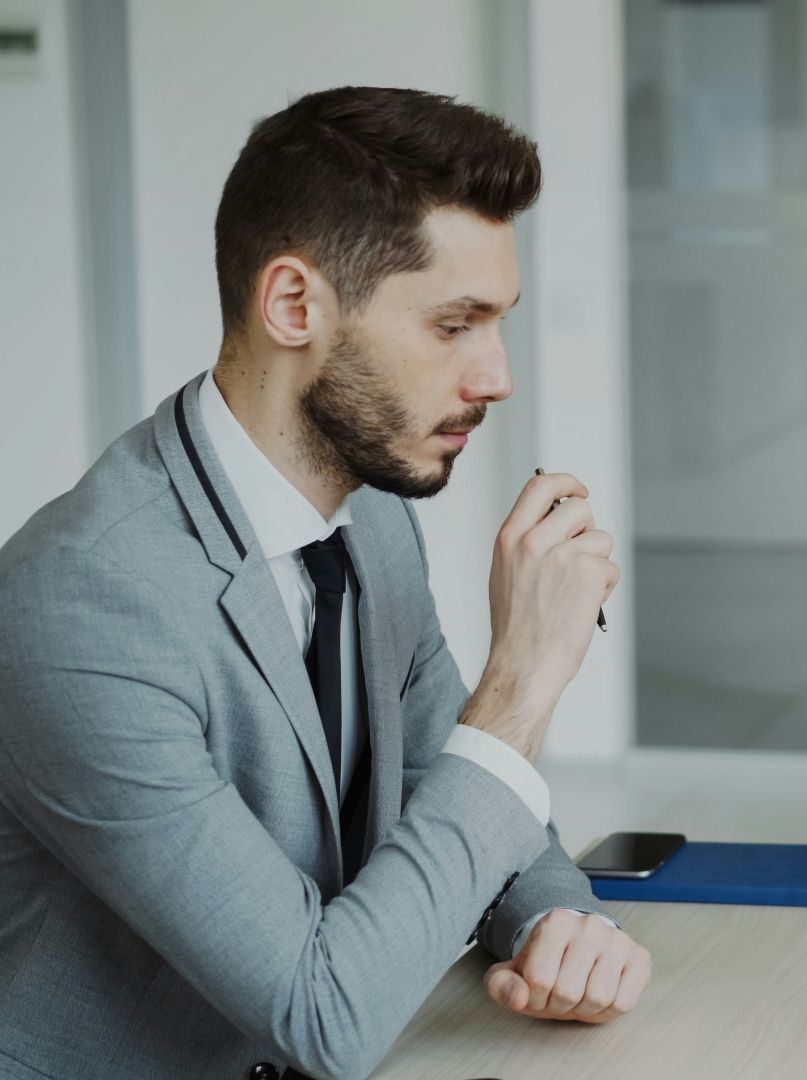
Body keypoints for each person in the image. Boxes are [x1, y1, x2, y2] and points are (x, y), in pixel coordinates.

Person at [0, 88, 649, 1080]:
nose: (497, 376)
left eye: (498, 323)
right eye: (453, 325)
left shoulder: (373, 518)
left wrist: (556, 918)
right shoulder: (80, 608)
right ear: (295, 305)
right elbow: (323, 1015)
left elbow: (451, 778)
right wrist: (522, 682)